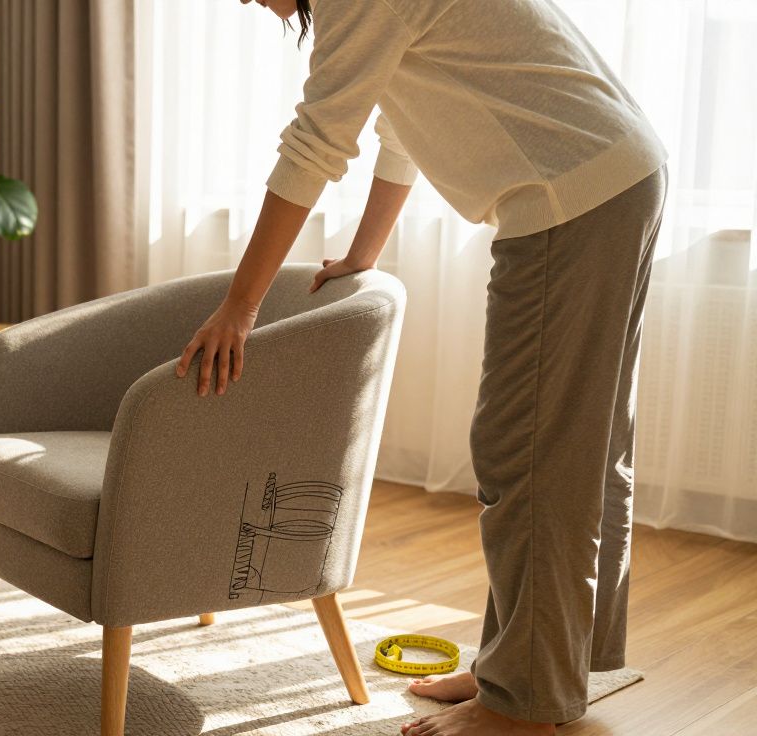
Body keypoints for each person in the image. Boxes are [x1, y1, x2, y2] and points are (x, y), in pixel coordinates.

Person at [176, 1, 668, 734]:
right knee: (581, 446)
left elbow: (316, 143)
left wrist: (241, 306)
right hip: (616, 176)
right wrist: (366, 251)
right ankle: (544, 664)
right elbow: (401, 121)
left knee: (526, 448)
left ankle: (525, 700)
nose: (245, 0)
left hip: (571, 199)